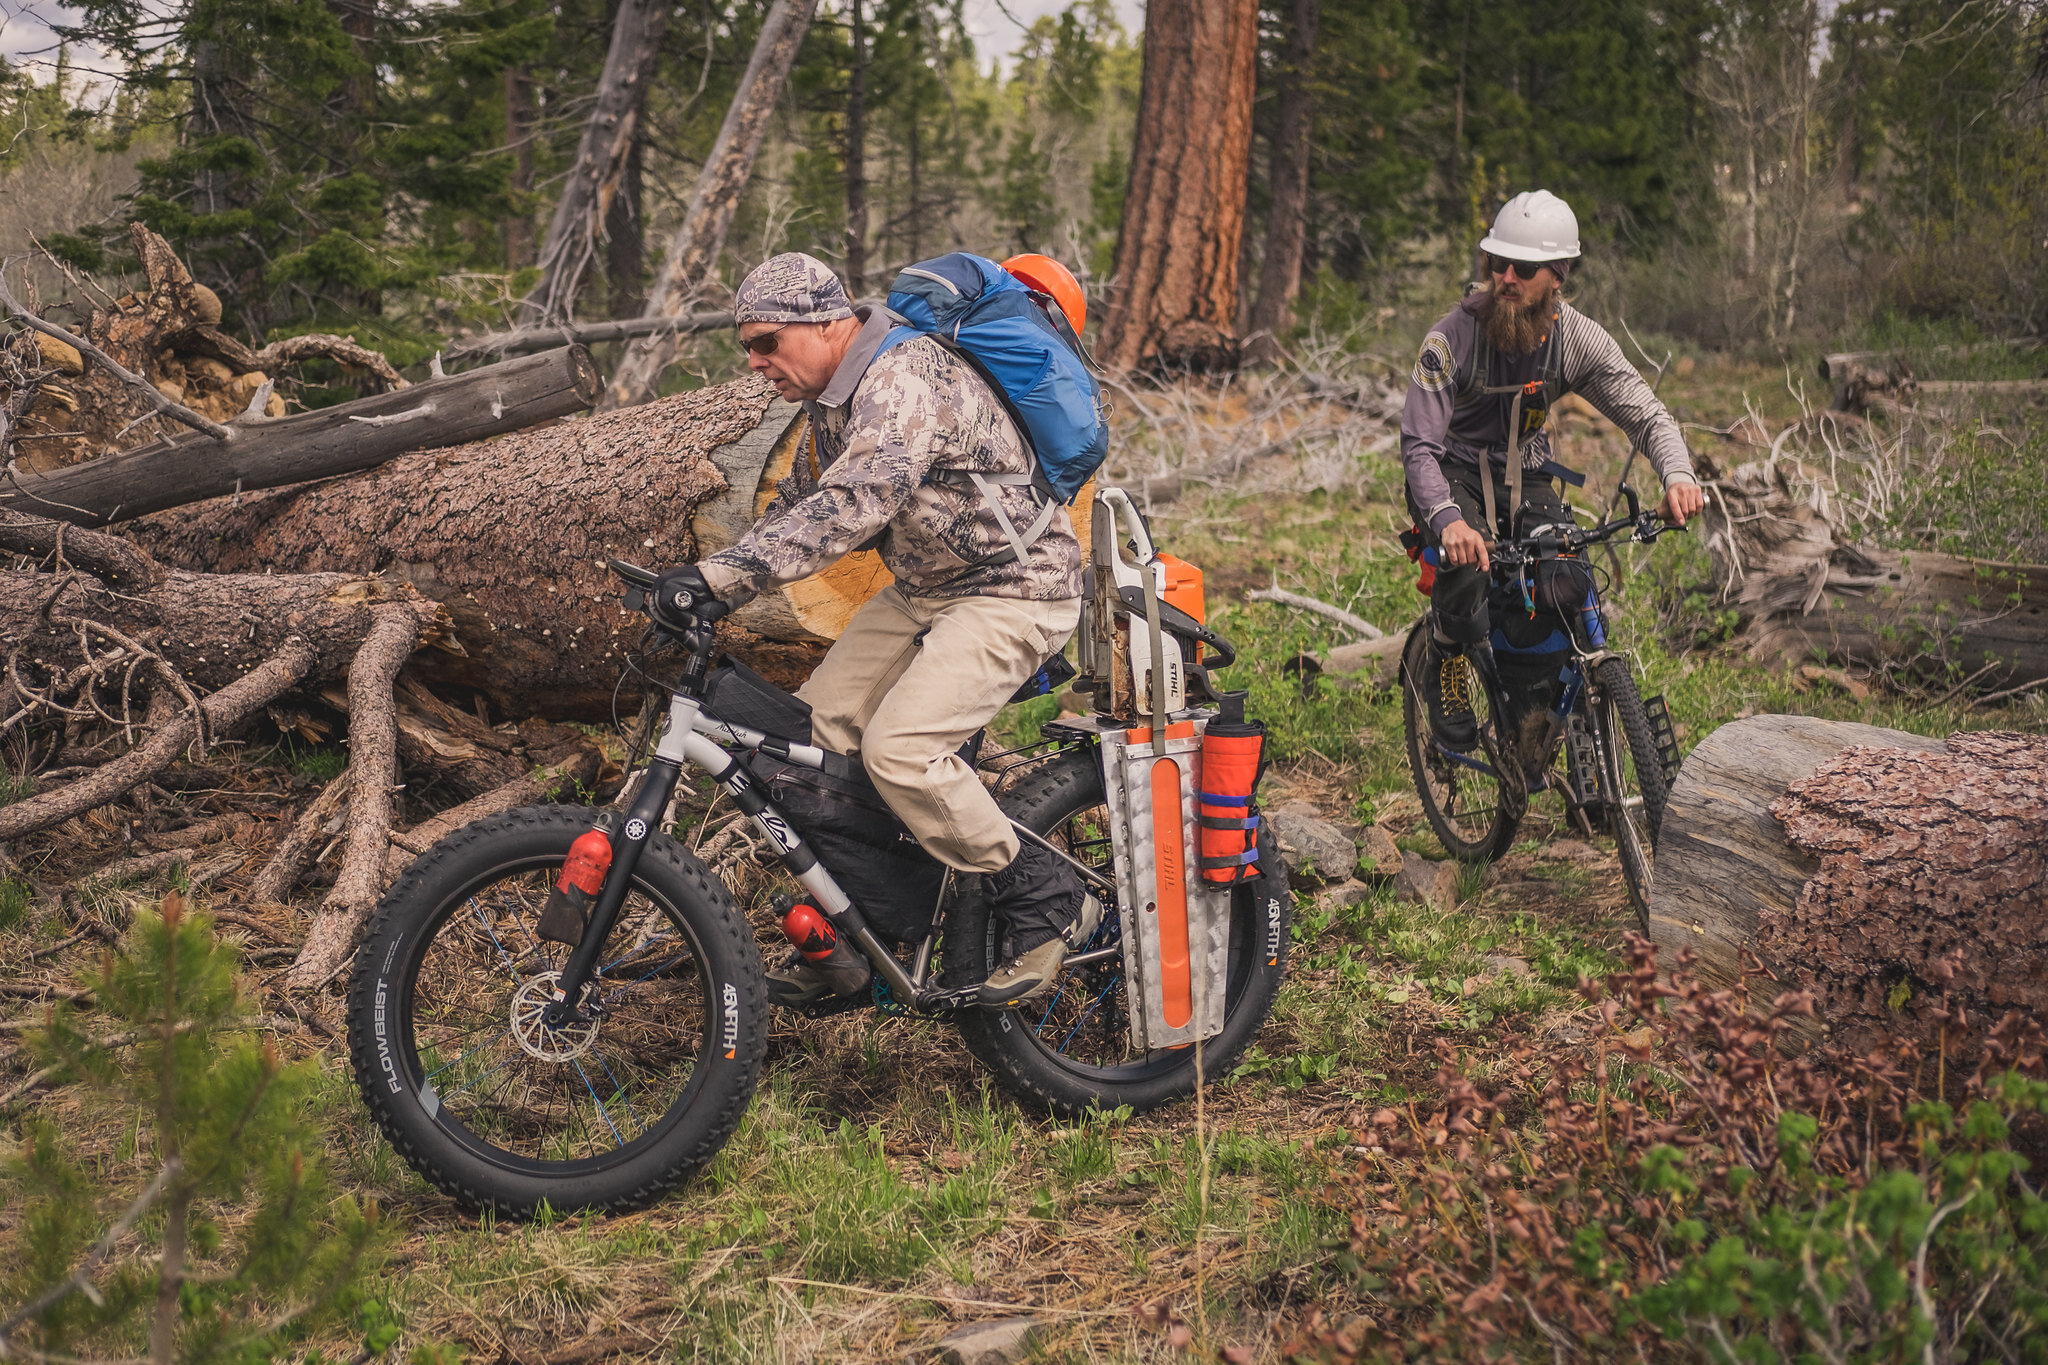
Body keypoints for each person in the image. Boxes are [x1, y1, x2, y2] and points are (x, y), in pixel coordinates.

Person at [648, 251, 1098, 1007]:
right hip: (927, 590)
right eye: (747, 348)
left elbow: (855, 503)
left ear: (828, 322)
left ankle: (1045, 893)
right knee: (814, 740)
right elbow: (799, 504)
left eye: (767, 343)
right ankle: (874, 933)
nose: (756, 363)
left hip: (1016, 589)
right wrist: (706, 588)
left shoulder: (902, 377)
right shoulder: (835, 393)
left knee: (903, 750)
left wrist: (723, 578)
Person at [1401, 189, 1706, 749]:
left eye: (1525, 267)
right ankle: (1445, 656)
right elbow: (1418, 445)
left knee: (1563, 575)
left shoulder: (1575, 340)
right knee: (1468, 563)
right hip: (1452, 472)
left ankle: (1560, 725)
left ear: (1558, 275)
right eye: (1498, 263)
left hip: (1527, 474)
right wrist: (1448, 520)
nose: (1507, 278)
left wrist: (1678, 475)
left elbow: (1645, 412)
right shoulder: (1451, 340)